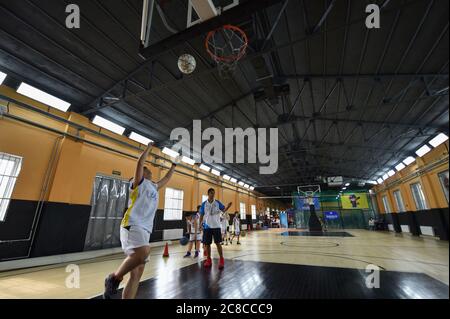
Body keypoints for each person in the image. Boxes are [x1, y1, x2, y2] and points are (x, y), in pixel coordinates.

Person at [103, 142, 178, 299]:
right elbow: (140, 162)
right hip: (132, 224)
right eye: (146, 169)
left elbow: (167, 178)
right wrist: (149, 147)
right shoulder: (138, 183)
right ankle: (114, 278)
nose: (149, 169)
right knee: (144, 251)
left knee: (137, 274)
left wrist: (174, 164)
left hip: (144, 230)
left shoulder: (153, 186)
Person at [199, 188, 232, 269]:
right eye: (211, 193)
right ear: (208, 193)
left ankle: (221, 259)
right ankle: (208, 259)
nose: (213, 194)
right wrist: (200, 224)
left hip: (216, 226)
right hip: (207, 226)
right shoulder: (204, 204)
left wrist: (228, 206)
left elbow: (223, 210)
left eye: (214, 193)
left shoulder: (217, 202)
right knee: (207, 244)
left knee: (218, 243)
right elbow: (201, 214)